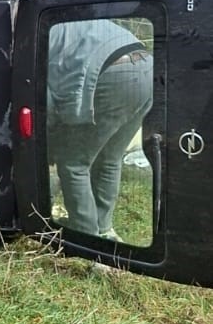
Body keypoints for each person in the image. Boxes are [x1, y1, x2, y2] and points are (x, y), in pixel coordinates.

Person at [47, 18, 153, 239]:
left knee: (73, 163)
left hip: (115, 73)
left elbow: (46, 103)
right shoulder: (57, 19)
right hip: (148, 68)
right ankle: (104, 230)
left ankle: (86, 240)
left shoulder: (31, 42)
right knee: (110, 157)